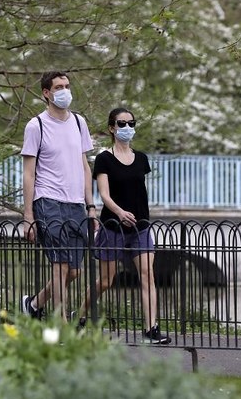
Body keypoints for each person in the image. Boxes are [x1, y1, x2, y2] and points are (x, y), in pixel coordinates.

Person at [75, 107, 170, 344]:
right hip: (113, 226)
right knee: (106, 281)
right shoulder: (104, 160)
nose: (127, 127)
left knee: (147, 276)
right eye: (121, 123)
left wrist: (136, 215)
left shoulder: (142, 159)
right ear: (112, 128)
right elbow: (104, 195)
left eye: (131, 123)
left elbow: (139, 190)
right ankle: (80, 316)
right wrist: (120, 213)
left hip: (141, 226)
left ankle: (151, 329)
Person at [20, 71, 96, 322]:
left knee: (74, 270)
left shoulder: (79, 123)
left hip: (76, 204)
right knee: (60, 265)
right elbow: (29, 173)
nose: (65, 91)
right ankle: (60, 323)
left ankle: (33, 304)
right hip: (48, 201)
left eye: (67, 86)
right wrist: (28, 216)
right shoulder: (36, 126)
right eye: (59, 87)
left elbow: (85, 166)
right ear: (46, 93)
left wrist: (91, 205)